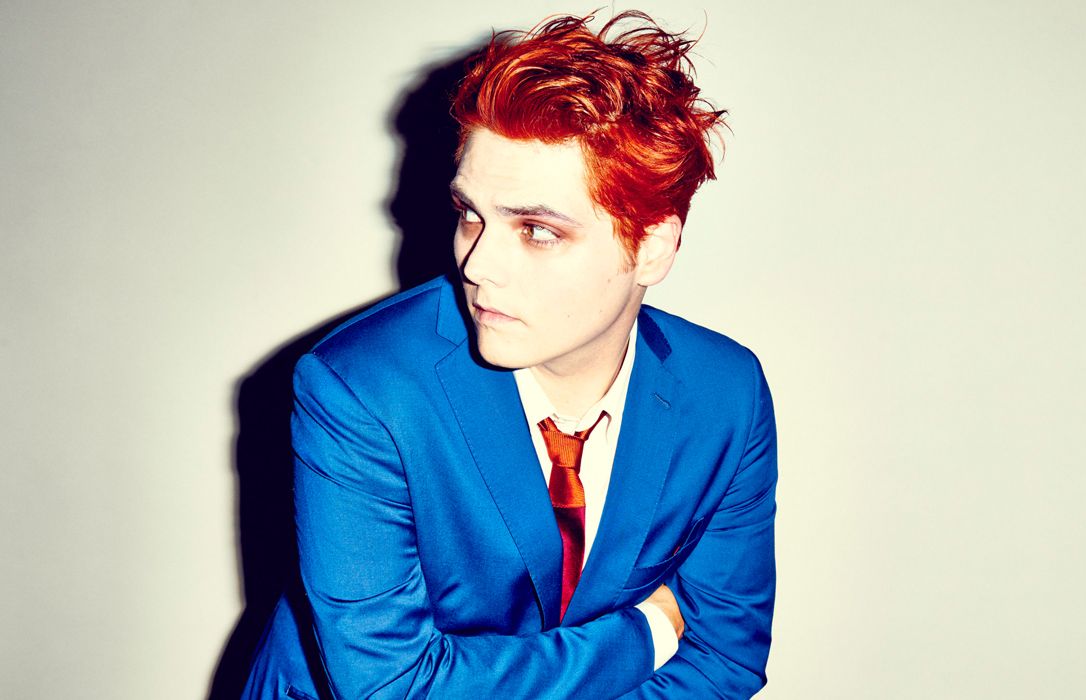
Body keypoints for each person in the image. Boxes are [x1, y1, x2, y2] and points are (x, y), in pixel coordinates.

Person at [241, 11, 777, 699]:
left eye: (537, 230)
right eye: (471, 215)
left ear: (651, 247)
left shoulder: (726, 394)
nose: (476, 264)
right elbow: (391, 687)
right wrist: (650, 632)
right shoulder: (360, 390)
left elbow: (725, 660)